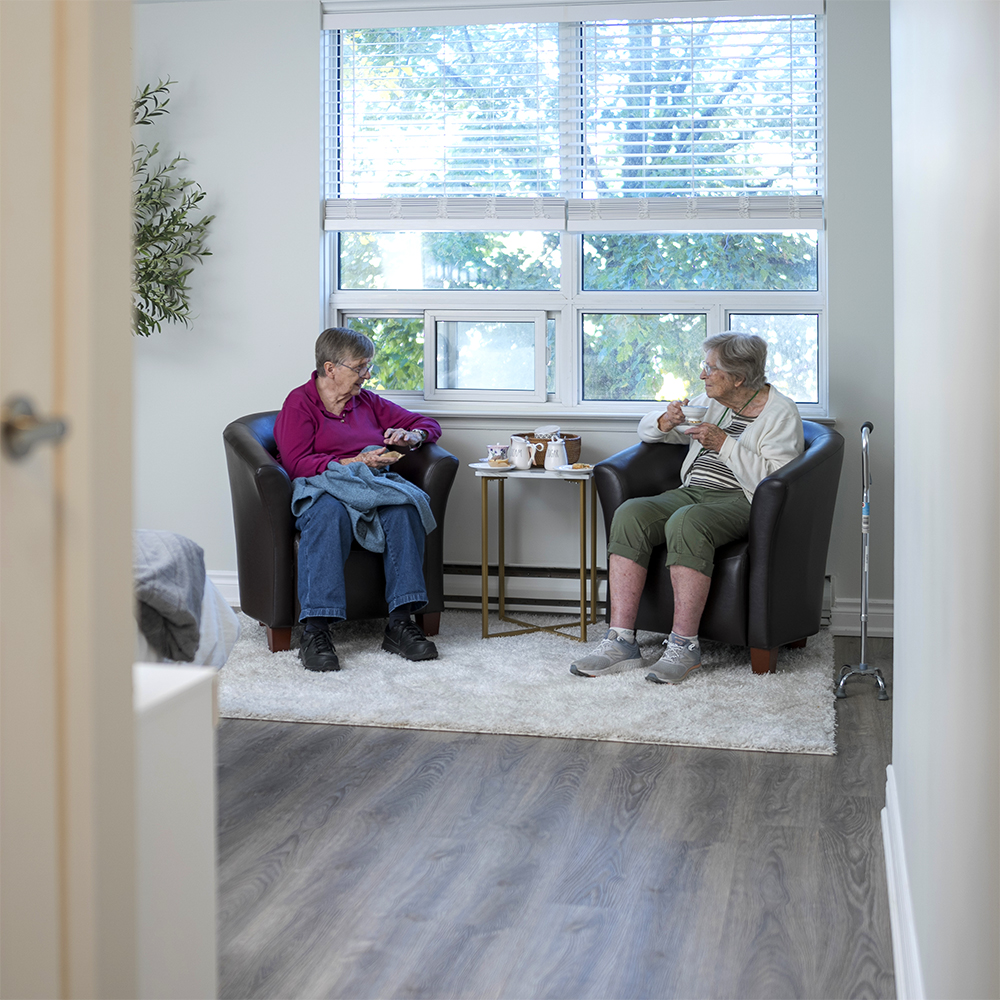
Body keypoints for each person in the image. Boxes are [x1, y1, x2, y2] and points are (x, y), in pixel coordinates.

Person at [571, 332, 804, 684]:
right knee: (631, 514)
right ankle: (621, 641)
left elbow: (774, 480)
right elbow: (654, 432)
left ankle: (684, 646)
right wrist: (665, 422)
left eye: (710, 368)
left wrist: (724, 444)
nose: (702, 375)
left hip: (742, 500)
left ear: (738, 377)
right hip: (692, 491)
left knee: (687, 521)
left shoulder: (781, 413)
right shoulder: (712, 401)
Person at [274, 327, 443, 672]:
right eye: (360, 367)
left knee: (404, 508)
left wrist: (412, 435)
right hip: (322, 485)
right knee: (328, 513)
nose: (367, 375)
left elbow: (427, 423)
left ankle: (400, 623)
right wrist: (354, 461)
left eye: (368, 367)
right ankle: (316, 630)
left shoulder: (366, 402)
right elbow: (296, 463)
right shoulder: (299, 403)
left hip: (369, 484)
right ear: (330, 368)